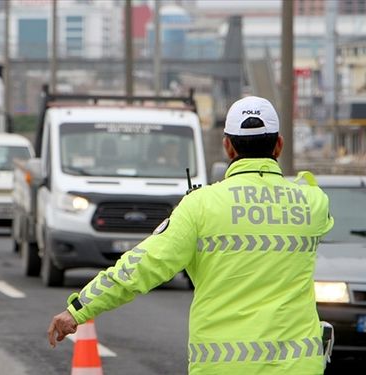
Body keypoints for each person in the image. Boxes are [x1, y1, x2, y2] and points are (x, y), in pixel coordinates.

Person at [47, 96, 334, 375]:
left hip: (222, 364)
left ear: (228, 147)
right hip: (298, 365)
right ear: (279, 145)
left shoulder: (201, 205)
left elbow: (141, 266)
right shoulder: (312, 202)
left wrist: (79, 309)